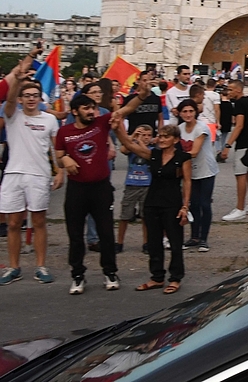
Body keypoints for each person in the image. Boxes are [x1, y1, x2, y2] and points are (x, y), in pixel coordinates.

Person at [56, 74, 153, 294]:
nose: (92, 111)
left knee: (106, 233)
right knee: (75, 235)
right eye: (86, 108)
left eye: (93, 108)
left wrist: (143, 94)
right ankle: (77, 275)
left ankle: (110, 272)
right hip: (76, 190)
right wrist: (64, 160)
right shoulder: (64, 132)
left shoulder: (102, 123)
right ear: (75, 111)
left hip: (100, 188)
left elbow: (126, 109)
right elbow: (58, 154)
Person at [0, 61, 62, 286]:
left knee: (38, 222)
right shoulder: (12, 115)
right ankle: (14, 267)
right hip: (14, 174)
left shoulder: (50, 120)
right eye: (26, 95)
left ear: (40, 97)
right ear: (20, 98)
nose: (30, 98)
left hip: (39, 175)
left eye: (35, 94)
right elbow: (8, 99)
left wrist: (60, 172)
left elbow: (57, 149)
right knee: (14, 223)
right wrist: (16, 76)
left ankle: (41, 266)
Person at [117, 124, 191, 294]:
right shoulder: (154, 155)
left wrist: (185, 206)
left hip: (172, 204)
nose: (162, 139)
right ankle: (157, 277)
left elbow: (187, 182)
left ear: (176, 139)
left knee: (175, 242)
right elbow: (129, 146)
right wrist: (117, 129)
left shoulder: (183, 157)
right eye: (161, 136)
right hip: (152, 203)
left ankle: (175, 277)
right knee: (154, 243)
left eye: (166, 137)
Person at [177, 99, 216, 251]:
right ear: (180, 113)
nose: (188, 114)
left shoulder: (201, 128)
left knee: (205, 204)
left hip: (206, 170)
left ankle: (204, 239)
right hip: (190, 172)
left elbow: (194, 151)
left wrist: (176, 158)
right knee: (193, 203)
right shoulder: (179, 129)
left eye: (191, 111)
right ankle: (194, 236)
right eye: (184, 111)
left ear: (196, 112)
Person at [221, 79, 248, 221]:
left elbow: (239, 125)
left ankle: (240, 208)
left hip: (243, 143)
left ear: (238, 90)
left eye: (231, 89)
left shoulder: (239, 103)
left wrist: (227, 145)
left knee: (241, 175)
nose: (228, 92)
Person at [116, 125, 152, 254]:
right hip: (132, 184)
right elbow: (124, 150)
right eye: (143, 135)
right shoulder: (132, 147)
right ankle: (119, 242)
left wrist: (141, 142)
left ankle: (146, 242)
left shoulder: (152, 149)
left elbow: (148, 155)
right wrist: (133, 137)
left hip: (147, 185)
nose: (146, 138)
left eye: (149, 135)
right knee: (125, 215)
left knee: (145, 216)